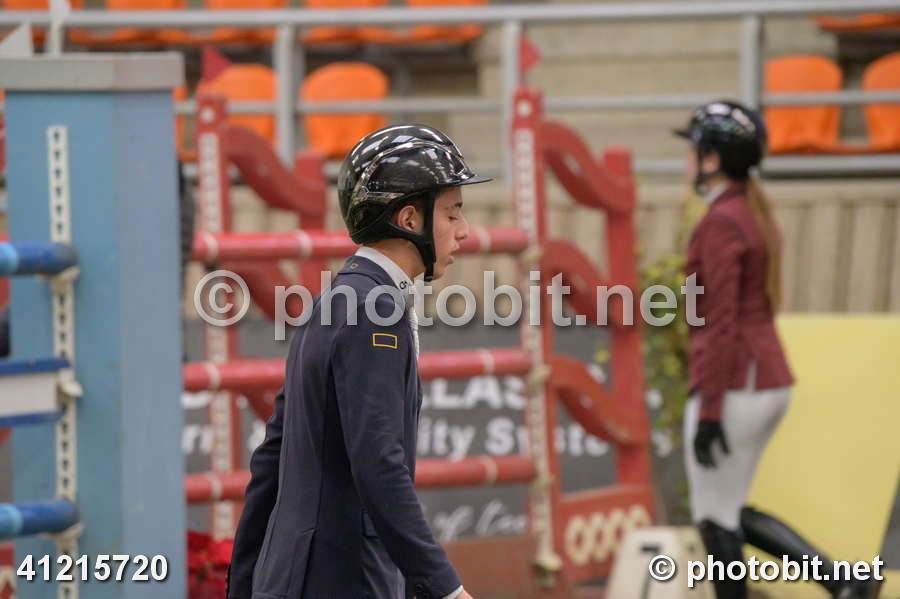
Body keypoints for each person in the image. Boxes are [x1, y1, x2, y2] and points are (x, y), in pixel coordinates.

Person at [226, 124, 489, 599]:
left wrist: (244, 584)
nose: (464, 230)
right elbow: (379, 464)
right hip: (344, 578)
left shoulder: (336, 298)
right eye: (452, 213)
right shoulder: (375, 310)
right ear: (409, 218)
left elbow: (272, 458)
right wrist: (445, 589)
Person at [676, 101, 880, 599]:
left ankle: (844, 582)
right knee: (729, 510)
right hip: (763, 379)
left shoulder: (720, 222)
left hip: (734, 383)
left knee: (714, 520)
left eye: (694, 151)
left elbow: (719, 322)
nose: (688, 160)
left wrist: (710, 411)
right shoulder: (749, 212)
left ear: (713, 159)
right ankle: (844, 582)